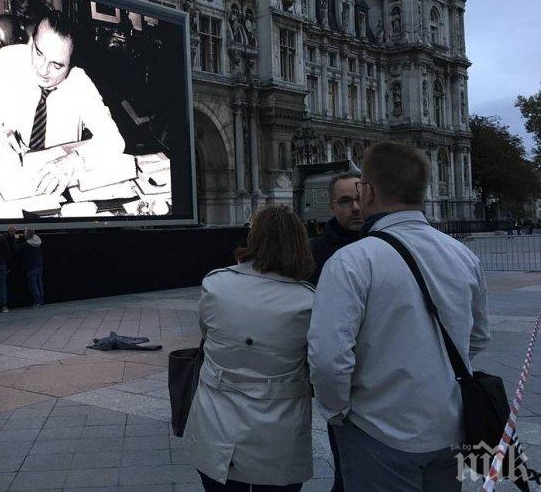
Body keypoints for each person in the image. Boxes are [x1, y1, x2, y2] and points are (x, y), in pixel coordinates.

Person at [308, 141, 490, 492]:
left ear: (368, 191)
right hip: (450, 428)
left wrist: (338, 411)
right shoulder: (463, 255)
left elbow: (329, 357)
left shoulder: (352, 261)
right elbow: (479, 336)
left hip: (378, 431)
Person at [184, 205, 316, 492]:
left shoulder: (216, 284)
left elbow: (207, 335)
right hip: (278, 428)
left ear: (253, 238)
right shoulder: (307, 301)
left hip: (216, 421)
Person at [0, 10, 125, 196]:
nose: (43, 70)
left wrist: (74, 161)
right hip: (8, 181)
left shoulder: (79, 82)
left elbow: (115, 141)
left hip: (59, 189)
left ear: (71, 63)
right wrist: (0, 137)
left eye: (57, 65)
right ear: (31, 40)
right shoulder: (5, 61)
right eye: (39, 52)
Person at [307, 171, 362, 492]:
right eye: (345, 201)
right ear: (332, 206)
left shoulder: (386, 244)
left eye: (359, 199)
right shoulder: (315, 252)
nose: (355, 208)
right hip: (340, 378)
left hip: (384, 380)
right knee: (346, 467)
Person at [14, 229, 44, 307]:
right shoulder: (37, 240)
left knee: (33, 285)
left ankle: (37, 301)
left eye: (25, 233)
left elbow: (16, 248)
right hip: (39, 265)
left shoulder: (27, 244)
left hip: (31, 267)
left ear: (27, 235)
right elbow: (31, 236)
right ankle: (41, 300)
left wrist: (16, 239)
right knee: (39, 283)